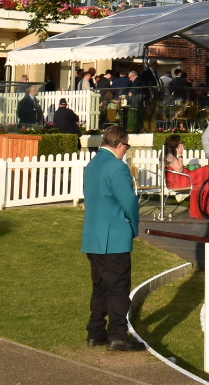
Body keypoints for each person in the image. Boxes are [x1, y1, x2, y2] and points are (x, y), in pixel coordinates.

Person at [82, 125, 145, 351]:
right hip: (114, 237)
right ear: (119, 144)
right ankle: (118, 335)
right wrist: (133, 228)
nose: (126, 150)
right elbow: (129, 202)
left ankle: (95, 332)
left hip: (93, 236)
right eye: (126, 146)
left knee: (100, 287)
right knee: (118, 287)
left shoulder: (92, 165)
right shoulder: (117, 167)